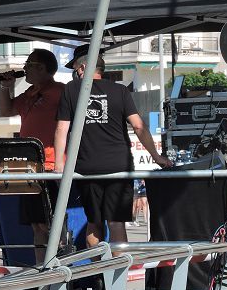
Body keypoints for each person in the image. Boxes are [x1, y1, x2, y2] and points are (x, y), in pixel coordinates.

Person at [54, 46, 171, 247]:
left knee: (94, 223)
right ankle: (117, 277)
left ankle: (98, 274)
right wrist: (156, 156)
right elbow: (138, 126)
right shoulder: (120, 90)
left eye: (75, 68)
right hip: (119, 166)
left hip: (87, 167)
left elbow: (61, 129)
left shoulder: (71, 89)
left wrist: (58, 164)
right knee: (117, 224)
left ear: (83, 68)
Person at [0, 48, 64, 263]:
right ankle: (42, 271)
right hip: (28, 167)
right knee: (36, 224)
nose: (24, 69)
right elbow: (6, 110)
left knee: (52, 222)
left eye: (29, 65)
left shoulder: (60, 92)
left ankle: (60, 267)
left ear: (42, 68)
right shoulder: (28, 95)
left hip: (52, 166)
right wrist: (5, 87)